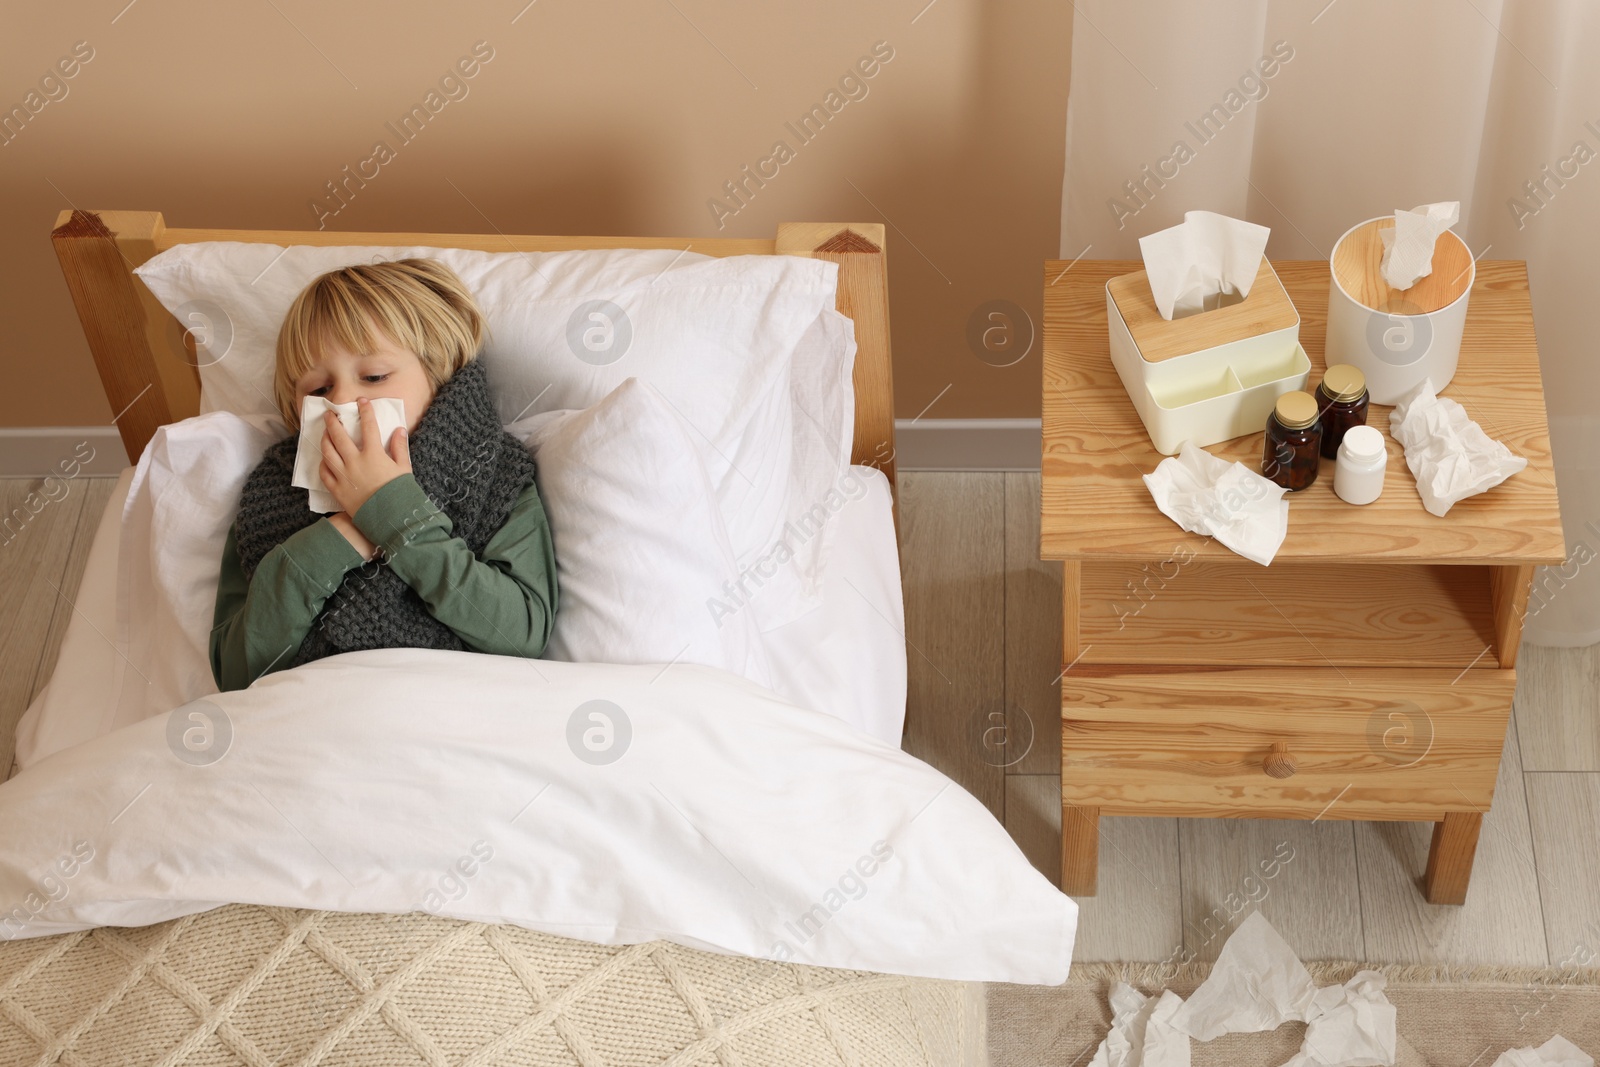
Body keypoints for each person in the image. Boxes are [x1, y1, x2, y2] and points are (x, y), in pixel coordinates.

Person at [209, 258, 557, 691]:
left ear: (439, 376)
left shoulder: (492, 472)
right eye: (318, 390)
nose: (345, 399)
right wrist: (343, 534)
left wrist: (394, 515)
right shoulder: (270, 497)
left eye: (374, 376)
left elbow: (520, 634)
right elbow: (237, 671)